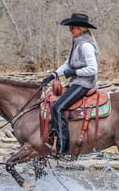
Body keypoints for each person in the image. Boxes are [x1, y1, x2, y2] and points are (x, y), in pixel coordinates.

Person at [42, 13, 99, 155]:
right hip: (77, 81)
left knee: (58, 107)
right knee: (50, 100)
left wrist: (74, 72)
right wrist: (53, 75)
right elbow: (67, 64)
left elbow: (93, 69)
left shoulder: (86, 45)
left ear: (80, 29)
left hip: (84, 84)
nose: (70, 30)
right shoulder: (77, 42)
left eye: (72, 27)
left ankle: (63, 148)